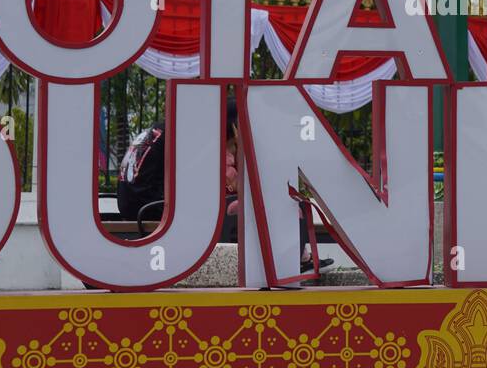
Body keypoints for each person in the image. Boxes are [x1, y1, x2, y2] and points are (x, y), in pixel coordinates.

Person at [115, 103, 332, 273]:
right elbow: (228, 183)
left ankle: (290, 257)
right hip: (153, 206)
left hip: (134, 204)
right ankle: (293, 258)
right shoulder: (200, 141)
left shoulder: (163, 129)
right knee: (258, 205)